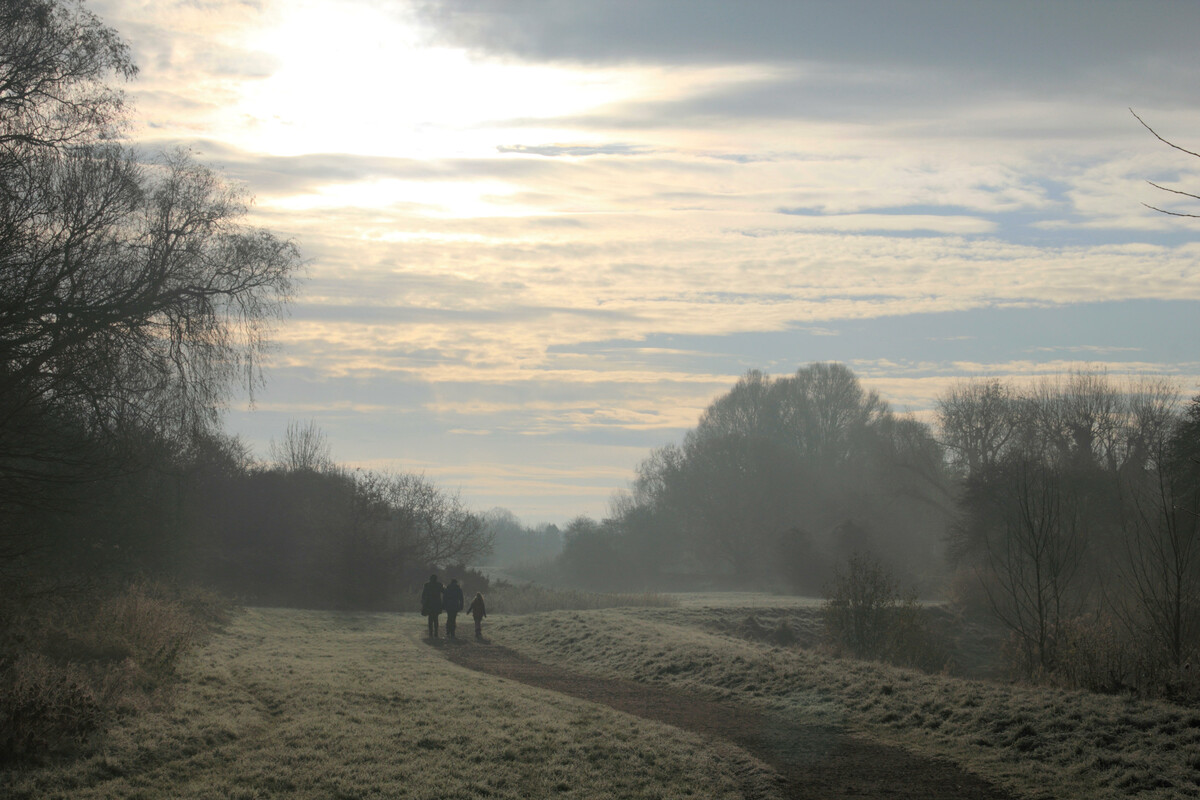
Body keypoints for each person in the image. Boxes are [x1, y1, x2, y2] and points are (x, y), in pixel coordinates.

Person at [420, 574, 444, 638]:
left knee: (430, 619)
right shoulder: (439, 585)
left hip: (429, 604)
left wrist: (423, 603)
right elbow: (444, 592)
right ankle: (436, 633)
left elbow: (423, 594)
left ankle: (430, 633)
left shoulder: (427, 585)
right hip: (437, 604)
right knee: (436, 619)